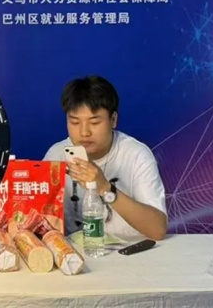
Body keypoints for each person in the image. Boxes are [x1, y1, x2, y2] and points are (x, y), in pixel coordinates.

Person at [43, 75, 168, 241]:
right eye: (75, 122)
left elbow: (157, 229)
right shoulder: (56, 155)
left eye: (94, 122)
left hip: (130, 249)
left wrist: (104, 187)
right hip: (78, 252)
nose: (84, 132)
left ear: (113, 120)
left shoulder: (136, 155)